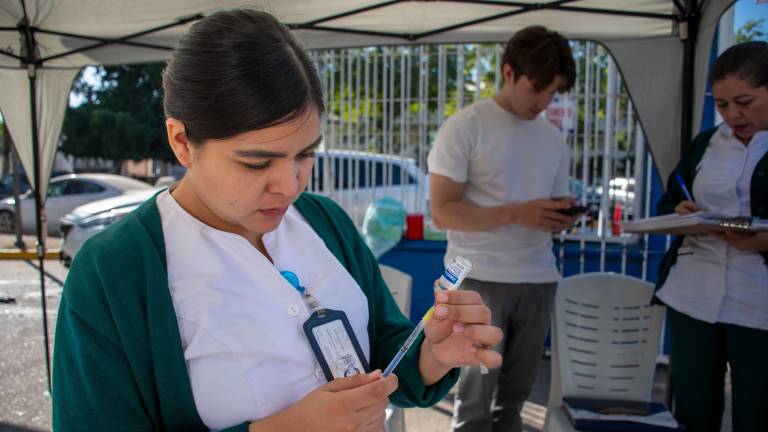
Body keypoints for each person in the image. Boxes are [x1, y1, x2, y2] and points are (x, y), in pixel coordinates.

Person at [51, 10, 504, 432]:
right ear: (182, 141)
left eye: (305, 154)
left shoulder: (325, 222)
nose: (289, 186)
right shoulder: (115, 271)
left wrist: (432, 354)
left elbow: (383, 351)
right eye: (256, 163)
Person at [428, 26, 579, 432]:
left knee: (515, 401)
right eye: (537, 88)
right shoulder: (466, 127)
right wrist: (517, 214)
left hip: (538, 278)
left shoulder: (553, 138)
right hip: (480, 276)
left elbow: (546, 206)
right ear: (509, 72)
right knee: (474, 404)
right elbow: (442, 212)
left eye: (554, 92)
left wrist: (560, 215)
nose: (544, 101)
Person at [654, 41, 768, 432]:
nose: (733, 114)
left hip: (758, 302)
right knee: (692, 412)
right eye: (722, 105)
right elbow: (670, 198)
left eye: (745, 102)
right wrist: (680, 211)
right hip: (694, 295)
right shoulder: (705, 145)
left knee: (757, 413)